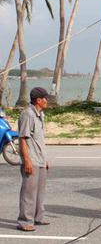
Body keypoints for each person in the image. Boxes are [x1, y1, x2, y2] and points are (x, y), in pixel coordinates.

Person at [17, 87, 51, 232]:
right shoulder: (28, 115)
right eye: (45, 98)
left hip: (40, 159)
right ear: (38, 100)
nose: (47, 101)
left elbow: (39, 140)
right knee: (28, 192)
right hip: (31, 159)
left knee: (40, 191)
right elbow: (23, 139)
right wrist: (27, 160)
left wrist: (46, 159)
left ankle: (38, 217)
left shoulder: (40, 115)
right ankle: (25, 221)